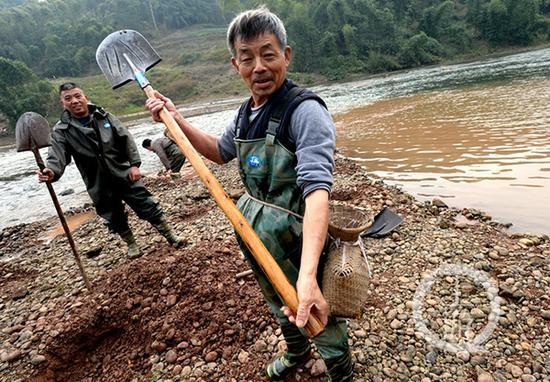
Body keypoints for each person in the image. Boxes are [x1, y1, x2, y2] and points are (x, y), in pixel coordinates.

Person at [145, 7, 353, 381]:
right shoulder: (244, 113)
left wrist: (307, 274)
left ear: (286, 56)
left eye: (268, 54)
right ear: (235, 65)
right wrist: (176, 120)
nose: (259, 66)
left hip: (300, 238)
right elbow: (218, 150)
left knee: (315, 306)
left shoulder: (305, 112)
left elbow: (317, 192)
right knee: (277, 299)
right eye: (248, 58)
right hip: (255, 232)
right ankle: (297, 351)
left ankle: (340, 367)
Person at [38, 82, 185, 259]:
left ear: (85, 97)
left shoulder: (105, 117)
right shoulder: (62, 131)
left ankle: (171, 236)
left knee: (146, 203)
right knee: (112, 215)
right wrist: (52, 172)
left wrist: (134, 165)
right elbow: (57, 154)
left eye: (78, 96)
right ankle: (131, 244)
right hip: (97, 180)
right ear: (63, 104)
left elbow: (126, 139)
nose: (75, 101)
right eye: (68, 98)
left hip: (123, 172)